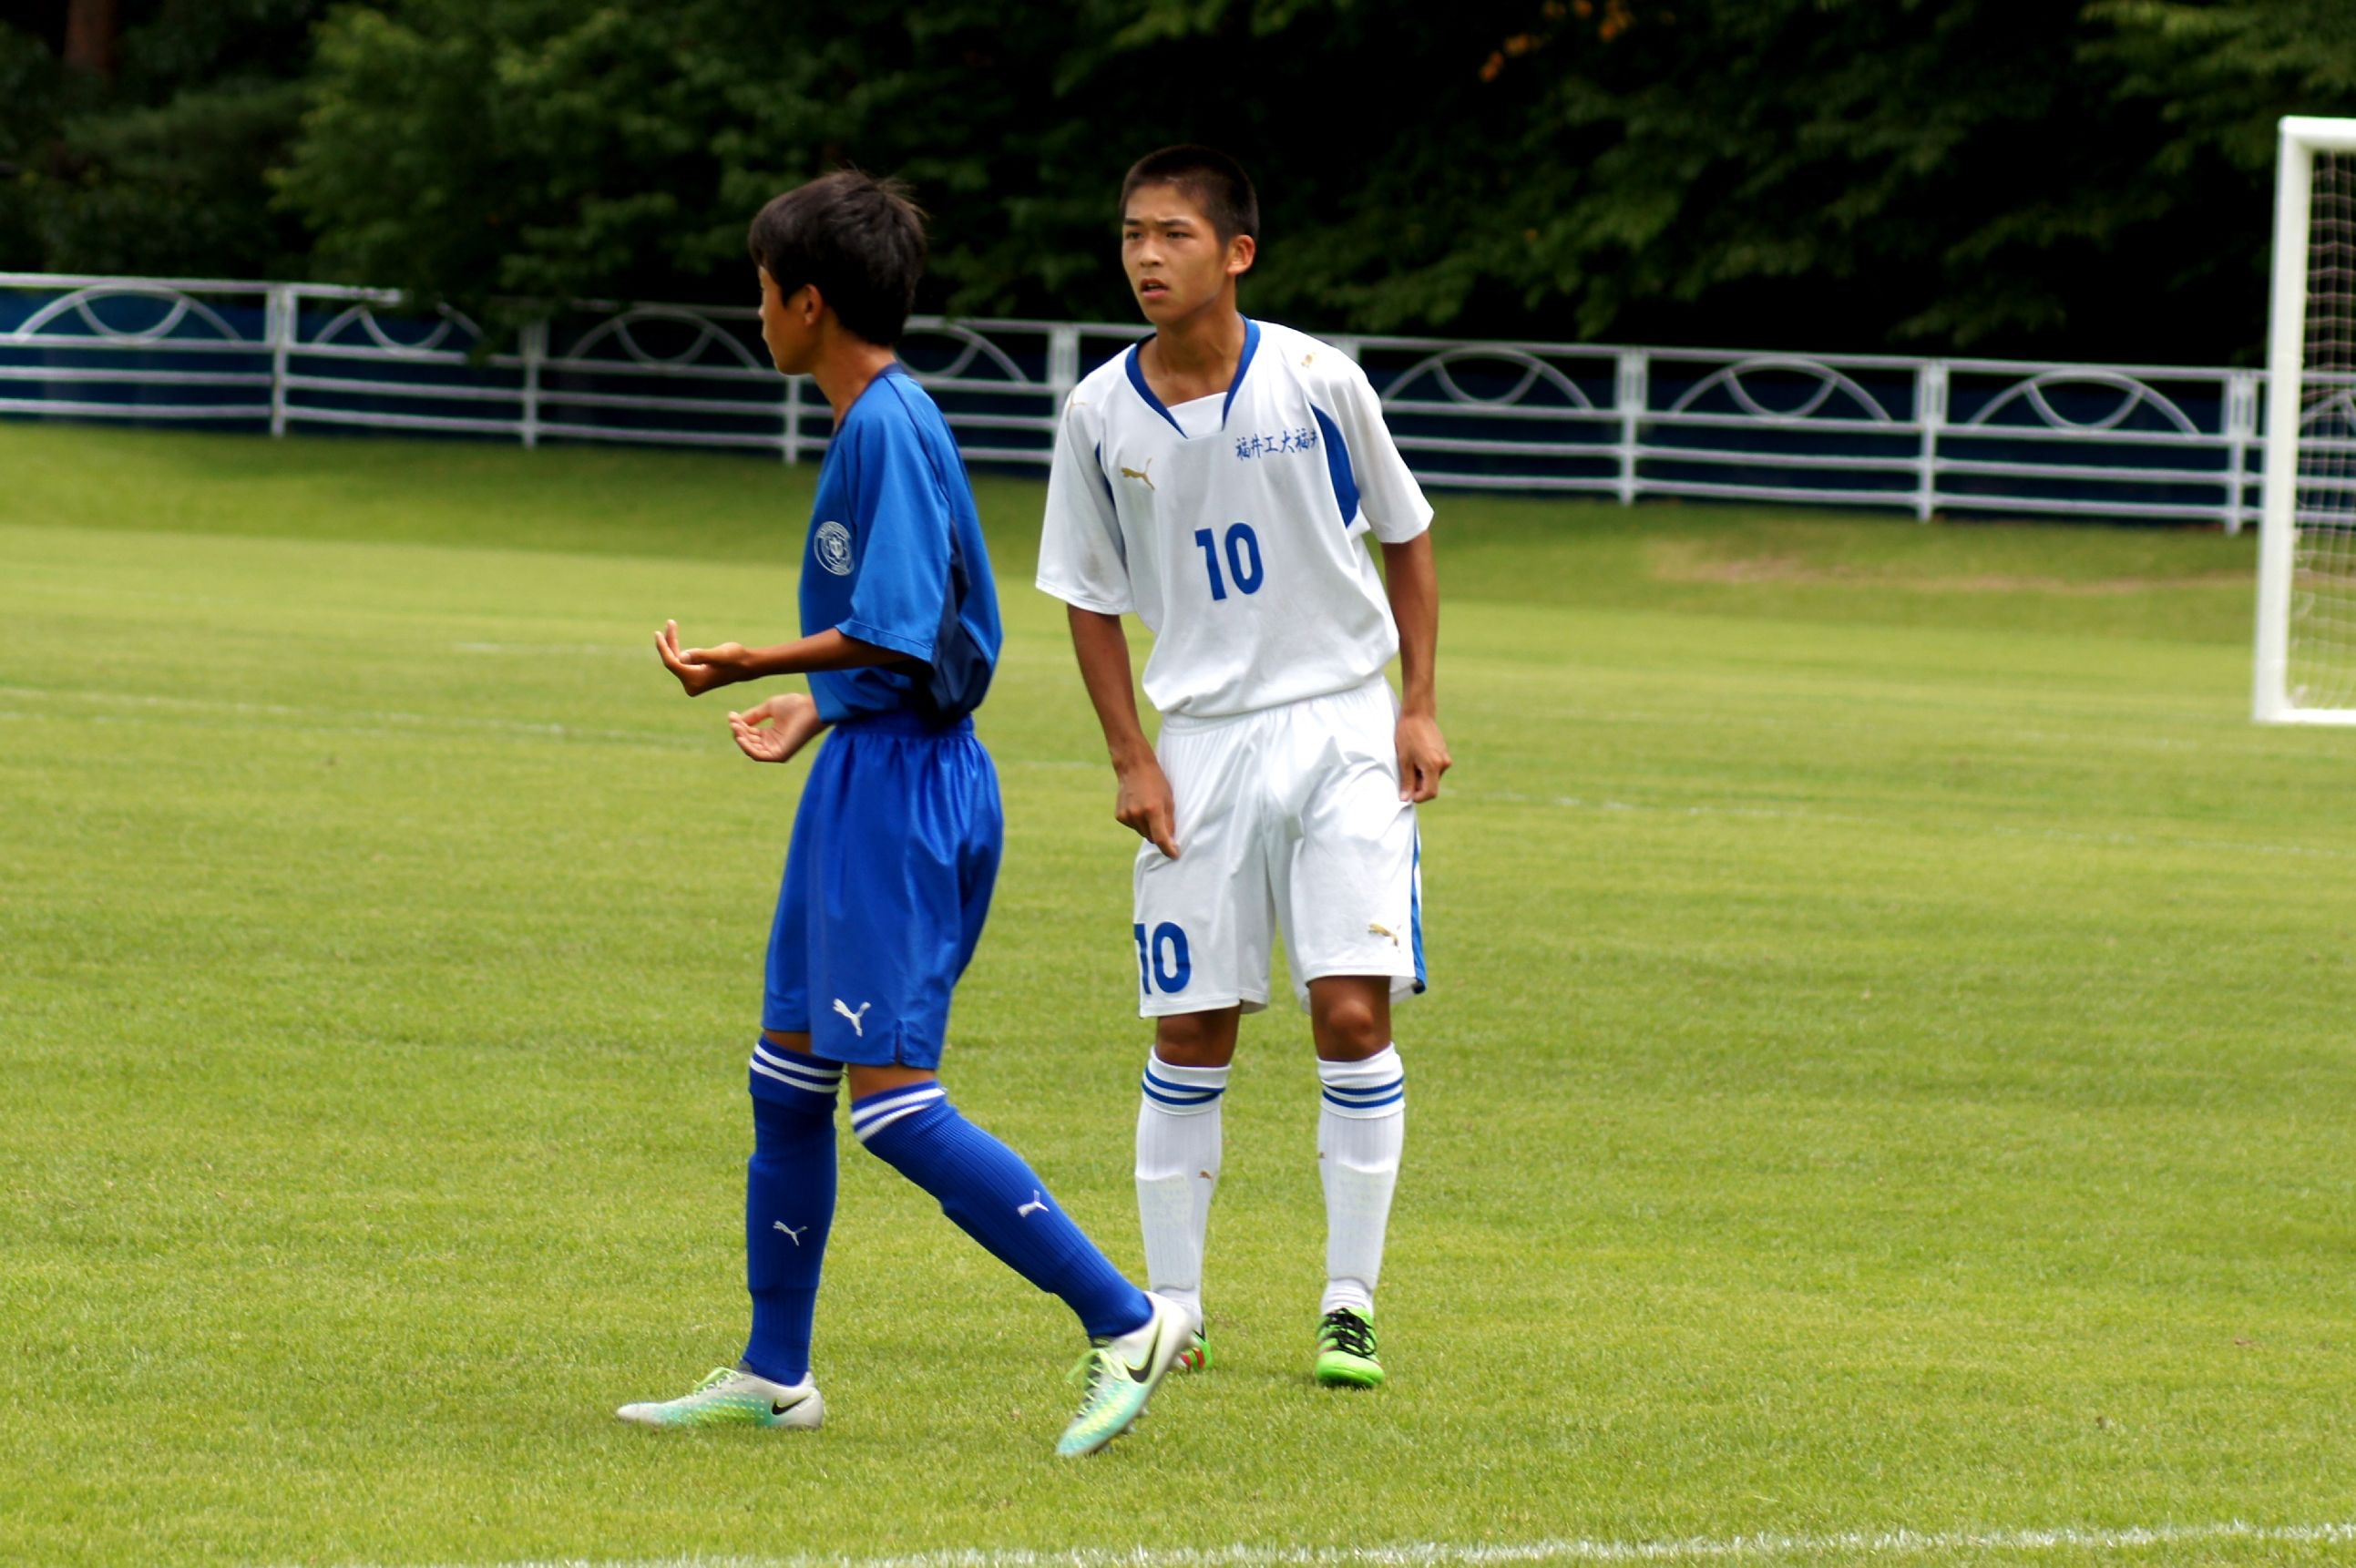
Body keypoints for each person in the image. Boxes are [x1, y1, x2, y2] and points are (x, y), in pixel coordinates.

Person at [622, 169, 1188, 1457]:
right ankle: (774, 1373)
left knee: (890, 1102)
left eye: (762, 290)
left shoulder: (886, 423)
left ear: (808, 302)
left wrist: (752, 663)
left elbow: (895, 626)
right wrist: (818, 708)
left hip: (909, 790)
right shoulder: (880, 417)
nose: (755, 311)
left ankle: (1125, 1318)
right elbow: (901, 640)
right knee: (786, 1079)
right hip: (866, 767)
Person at [1036, 146, 1449, 1388]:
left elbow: (1406, 535)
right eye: (1131, 234)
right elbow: (1087, 596)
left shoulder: (1320, 381)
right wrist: (1131, 757)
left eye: (1172, 233)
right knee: (1189, 1024)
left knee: (1350, 1009)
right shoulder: (1097, 413)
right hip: (1201, 743)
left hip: (1340, 727)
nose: (1146, 256)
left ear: (1237, 253)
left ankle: (1348, 1302)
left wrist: (1418, 704)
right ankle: (1172, 1308)